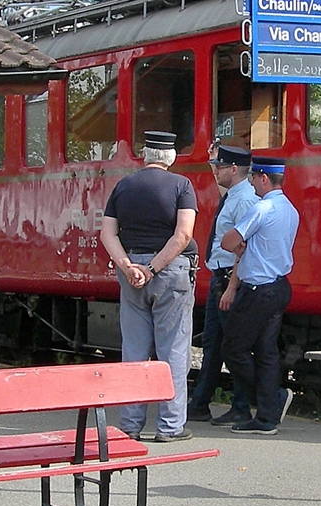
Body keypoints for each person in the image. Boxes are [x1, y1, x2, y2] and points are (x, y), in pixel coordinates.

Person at [99, 130, 198, 443]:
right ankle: (170, 427)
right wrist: (154, 268)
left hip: (132, 275)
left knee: (135, 351)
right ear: (170, 157)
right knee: (174, 350)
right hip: (170, 272)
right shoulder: (182, 186)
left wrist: (128, 266)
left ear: (145, 155)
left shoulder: (123, 186)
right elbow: (183, 235)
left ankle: (130, 425)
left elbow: (107, 234)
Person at [218, 155, 300, 435]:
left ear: (264, 178)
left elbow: (228, 241)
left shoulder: (262, 208)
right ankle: (266, 418)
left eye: (254, 176)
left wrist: (240, 247)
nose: (251, 180)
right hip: (278, 286)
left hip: (257, 290)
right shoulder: (290, 209)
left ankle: (272, 400)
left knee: (234, 348)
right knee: (266, 353)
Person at [185, 143, 259, 425]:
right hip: (220, 277)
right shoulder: (233, 195)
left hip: (231, 277)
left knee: (233, 346)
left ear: (234, 169)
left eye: (219, 166)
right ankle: (201, 403)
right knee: (213, 344)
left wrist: (231, 287)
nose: (214, 171)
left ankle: (246, 404)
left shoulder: (244, 200)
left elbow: (244, 247)